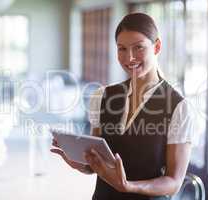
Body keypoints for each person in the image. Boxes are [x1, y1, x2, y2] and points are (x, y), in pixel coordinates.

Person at [51, 13, 197, 200]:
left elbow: (173, 182)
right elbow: (97, 162)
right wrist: (81, 163)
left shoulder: (178, 107)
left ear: (157, 46)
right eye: (122, 49)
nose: (130, 57)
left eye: (139, 48)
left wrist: (128, 186)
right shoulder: (103, 96)